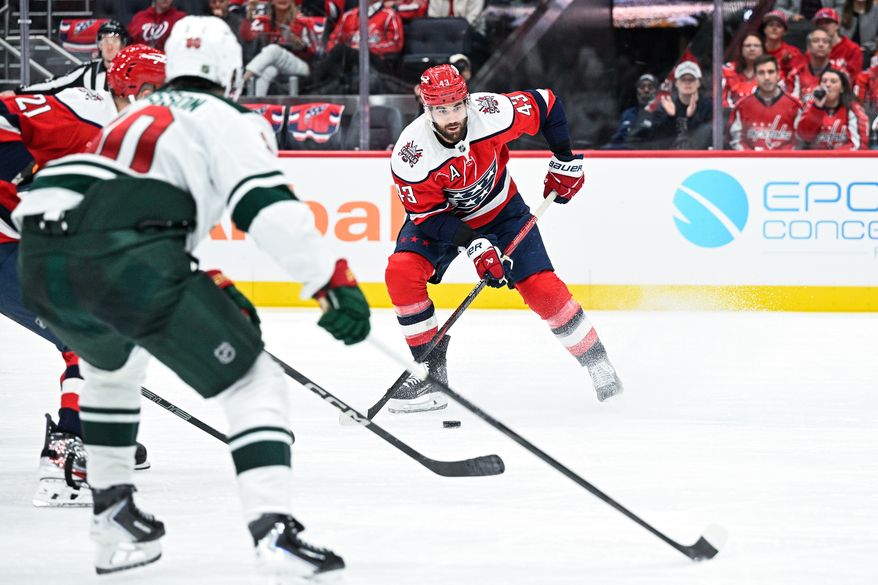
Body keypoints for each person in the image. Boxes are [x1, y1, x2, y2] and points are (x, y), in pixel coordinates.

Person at [14, 16, 369, 578]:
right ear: (231, 71)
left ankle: (112, 519)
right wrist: (331, 282)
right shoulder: (230, 119)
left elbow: (120, 203)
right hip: (124, 256)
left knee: (111, 370)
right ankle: (273, 531)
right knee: (254, 382)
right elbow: (265, 206)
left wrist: (190, 278)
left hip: (37, 255)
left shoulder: (125, 116)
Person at [384, 64, 622, 414]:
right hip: (442, 221)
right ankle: (431, 375)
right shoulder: (411, 155)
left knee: (542, 288)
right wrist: (474, 243)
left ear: (467, 101)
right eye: (441, 110)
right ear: (427, 108)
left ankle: (598, 363)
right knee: (401, 272)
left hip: (501, 211)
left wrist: (565, 160)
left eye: (457, 106)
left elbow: (547, 104)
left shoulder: (492, 112)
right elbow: (428, 217)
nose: (452, 117)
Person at [1, 45, 167, 506]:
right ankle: (68, 455)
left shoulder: (116, 131)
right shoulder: (89, 115)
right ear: (136, 88)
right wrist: (17, 183)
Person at [0, 20, 129, 97]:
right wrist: (18, 92)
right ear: (99, 44)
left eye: (114, 41)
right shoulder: (88, 71)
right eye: (105, 41)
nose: (109, 47)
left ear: (123, 44)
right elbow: (54, 85)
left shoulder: (132, 70)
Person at [729, 55, 803, 150]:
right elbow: (736, 140)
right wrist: (751, 157)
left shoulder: (794, 106)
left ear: (778, 75)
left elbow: (800, 141)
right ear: (755, 77)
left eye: (770, 72)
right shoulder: (742, 106)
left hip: (786, 159)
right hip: (751, 159)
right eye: (761, 73)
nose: (766, 77)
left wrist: (784, 157)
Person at [796, 67, 870, 147]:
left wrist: (834, 154)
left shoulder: (854, 110)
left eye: (833, 81)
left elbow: (858, 146)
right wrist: (817, 108)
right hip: (815, 154)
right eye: (824, 81)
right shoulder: (810, 107)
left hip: (844, 155)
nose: (827, 85)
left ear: (842, 88)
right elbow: (804, 136)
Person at [653, 61, 713, 149]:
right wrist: (670, 117)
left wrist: (692, 117)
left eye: (691, 79)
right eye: (683, 79)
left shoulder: (709, 106)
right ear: (676, 83)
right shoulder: (666, 105)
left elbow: (708, 138)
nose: (687, 83)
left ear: (699, 82)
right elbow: (658, 138)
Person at [604, 73, 660, 149]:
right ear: (637, 91)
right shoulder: (628, 114)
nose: (646, 90)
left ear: (657, 91)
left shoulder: (663, 114)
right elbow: (616, 141)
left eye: (650, 87)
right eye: (642, 87)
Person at [814, 7, 863, 81]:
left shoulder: (852, 49)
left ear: (837, 25)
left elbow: (854, 79)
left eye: (827, 22)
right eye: (819, 23)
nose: (823, 26)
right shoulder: (813, 50)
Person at [789, 28, 834, 102]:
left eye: (825, 41)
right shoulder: (797, 73)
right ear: (808, 47)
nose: (821, 45)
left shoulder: (840, 73)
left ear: (830, 48)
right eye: (816, 41)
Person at [722, 33, 765, 108]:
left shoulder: (771, 71)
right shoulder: (728, 70)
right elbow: (720, 100)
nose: (752, 49)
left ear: (762, 49)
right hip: (731, 113)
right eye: (748, 45)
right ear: (741, 48)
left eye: (756, 46)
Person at [762, 10, 805, 78]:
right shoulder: (756, 50)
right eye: (771, 25)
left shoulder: (793, 52)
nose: (774, 28)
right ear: (764, 30)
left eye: (779, 26)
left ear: (785, 32)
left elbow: (799, 76)